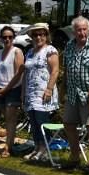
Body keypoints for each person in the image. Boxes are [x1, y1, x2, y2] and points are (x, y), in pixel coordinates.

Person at [61, 16, 89, 171]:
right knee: (68, 124)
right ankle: (74, 157)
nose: (81, 32)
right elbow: (66, 70)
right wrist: (62, 90)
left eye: (84, 29)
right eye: (78, 30)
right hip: (73, 93)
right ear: (74, 31)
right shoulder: (69, 46)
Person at [21, 23, 59, 162]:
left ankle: (44, 149)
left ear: (46, 36)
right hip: (31, 91)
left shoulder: (50, 50)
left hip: (43, 92)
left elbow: (55, 71)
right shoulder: (30, 52)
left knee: (41, 120)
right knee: (33, 121)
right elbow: (26, 73)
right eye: (35, 35)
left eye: (41, 34)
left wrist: (49, 89)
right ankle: (37, 147)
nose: (38, 37)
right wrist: (23, 93)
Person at [0, 26, 24, 157]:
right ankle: (9, 141)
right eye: (4, 37)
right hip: (0, 89)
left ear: (13, 38)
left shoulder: (17, 51)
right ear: (1, 38)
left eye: (10, 37)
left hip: (13, 89)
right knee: (6, 118)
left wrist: (6, 89)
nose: (7, 39)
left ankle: (8, 147)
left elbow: (19, 73)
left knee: (11, 119)